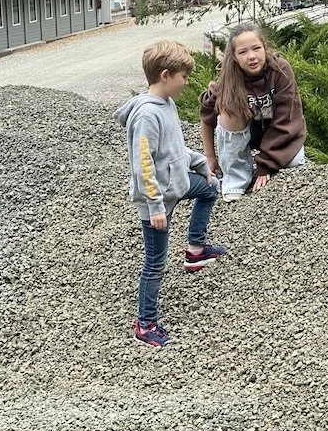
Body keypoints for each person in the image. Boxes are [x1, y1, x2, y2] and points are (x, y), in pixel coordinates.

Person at [114, 40, 228, 348]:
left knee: (210, 188)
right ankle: (145, 323)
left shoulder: (168, 104)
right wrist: (154, 207)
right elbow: (143, 164)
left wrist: (203, 165)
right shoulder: (147, 116)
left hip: (177, 184)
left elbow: (174, 150)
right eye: (183, 76)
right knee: (155, 262)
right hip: (157, 201)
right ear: (166, 75)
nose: (186, 82)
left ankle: (196, 248)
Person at [199, 22, 308, 202]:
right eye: (243, 52)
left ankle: (270, 159)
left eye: (256, 48)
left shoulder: (280, 70)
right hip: (246, 132)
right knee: (228, 111)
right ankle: (236, 177)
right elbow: (207, 117)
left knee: (294, 162)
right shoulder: (227, 79)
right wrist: (209, 157)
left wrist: (265, 164)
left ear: (264, 47)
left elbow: (289, 117)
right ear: (233, 56)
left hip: (276, 130)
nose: (252, 56)